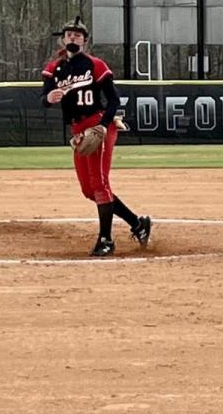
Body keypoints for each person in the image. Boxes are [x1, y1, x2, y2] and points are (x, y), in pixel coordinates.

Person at [41, 17, 151, 257]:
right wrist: (48, 99)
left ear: (85, 41)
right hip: (78, 131)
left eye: (77, 35)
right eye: (69, 34)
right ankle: (137, 223)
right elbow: (44, 97)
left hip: (98, 125)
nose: (72, 38)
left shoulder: (95, 65)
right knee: (88, 190)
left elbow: (114, 100)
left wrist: (102, 126)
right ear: (63, 39)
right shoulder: (54, 69)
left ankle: (106, 240)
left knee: (100, 184)